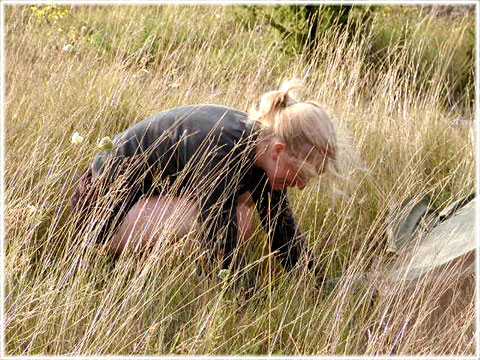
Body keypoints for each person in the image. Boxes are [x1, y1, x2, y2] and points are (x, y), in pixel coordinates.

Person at [71, 79, 337, 272]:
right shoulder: (221, 149)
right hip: (99, 216)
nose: (300, 186)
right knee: (231, 219)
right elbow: (218, 239)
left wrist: (321, 284)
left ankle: (151, 270)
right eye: (301, 175)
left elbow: (282, 232)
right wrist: (248, 302)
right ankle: (119, 268)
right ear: (279, 151)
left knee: (240, 213)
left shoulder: (260, 145)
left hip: (145, 202)